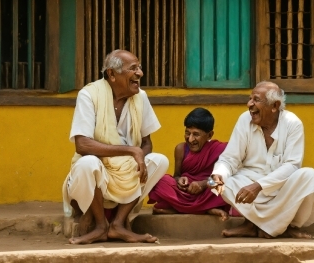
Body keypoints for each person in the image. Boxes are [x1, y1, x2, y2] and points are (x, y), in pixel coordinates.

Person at [62, 49, 169, 245]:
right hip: (97, 172)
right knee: (88, 163)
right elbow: (82, 144)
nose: (140, 74)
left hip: (126, 171)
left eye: (140, 68)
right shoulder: (89, 94)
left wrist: (139, 159)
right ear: (112, 74)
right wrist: (131, 151)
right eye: (133, 69)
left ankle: (118, 224)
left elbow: (146, 143)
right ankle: (100, 226)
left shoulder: (141, 97)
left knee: (160, 161)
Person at [209, 81, 314, 239]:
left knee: (309, 176)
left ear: (274, 106)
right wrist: (218, 174)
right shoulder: (244, 120)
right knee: (221, 183)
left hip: (281, 187)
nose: (249, 104)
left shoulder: (292, 123)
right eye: (250, 99)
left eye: (256, 100)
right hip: (249, 180)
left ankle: (265, 227)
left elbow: (292, 165)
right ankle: (273, 228)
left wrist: (259, 186)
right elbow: (229, 159)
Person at [148, 107, 231, 221]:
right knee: (160, 180)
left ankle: (179, 208)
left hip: (207, 191)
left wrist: (204, 184)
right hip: (186, 192)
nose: (191, 139)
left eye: (196, 134)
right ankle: (205, 209)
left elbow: (225, 176)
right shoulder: (181, 149)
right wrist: (179, 180)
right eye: (187, 133)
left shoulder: (219, 149)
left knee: (228, 183)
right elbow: (176, 175)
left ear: (209, 135)